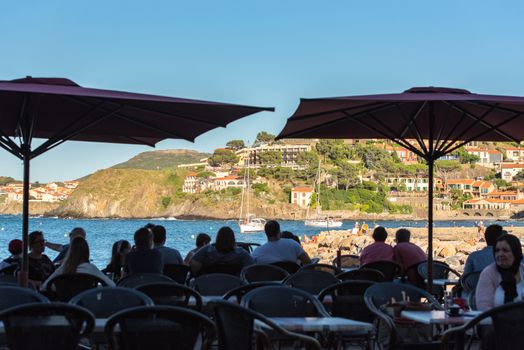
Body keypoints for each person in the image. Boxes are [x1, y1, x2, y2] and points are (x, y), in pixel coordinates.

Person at [41, 237, 115, 290]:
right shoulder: (91, 269)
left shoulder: (63, 269)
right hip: (85, 307)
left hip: (65, 307)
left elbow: (44, 287)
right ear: (87, 251)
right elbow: (112, 285)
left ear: (70, 252)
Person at [476, 234, 524, 311]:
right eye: (497, 250)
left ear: (516, 252)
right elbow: (483, 308)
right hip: (495, 321)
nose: (500, 254)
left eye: (505, 250)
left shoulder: (522, 270)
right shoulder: (488, 274)